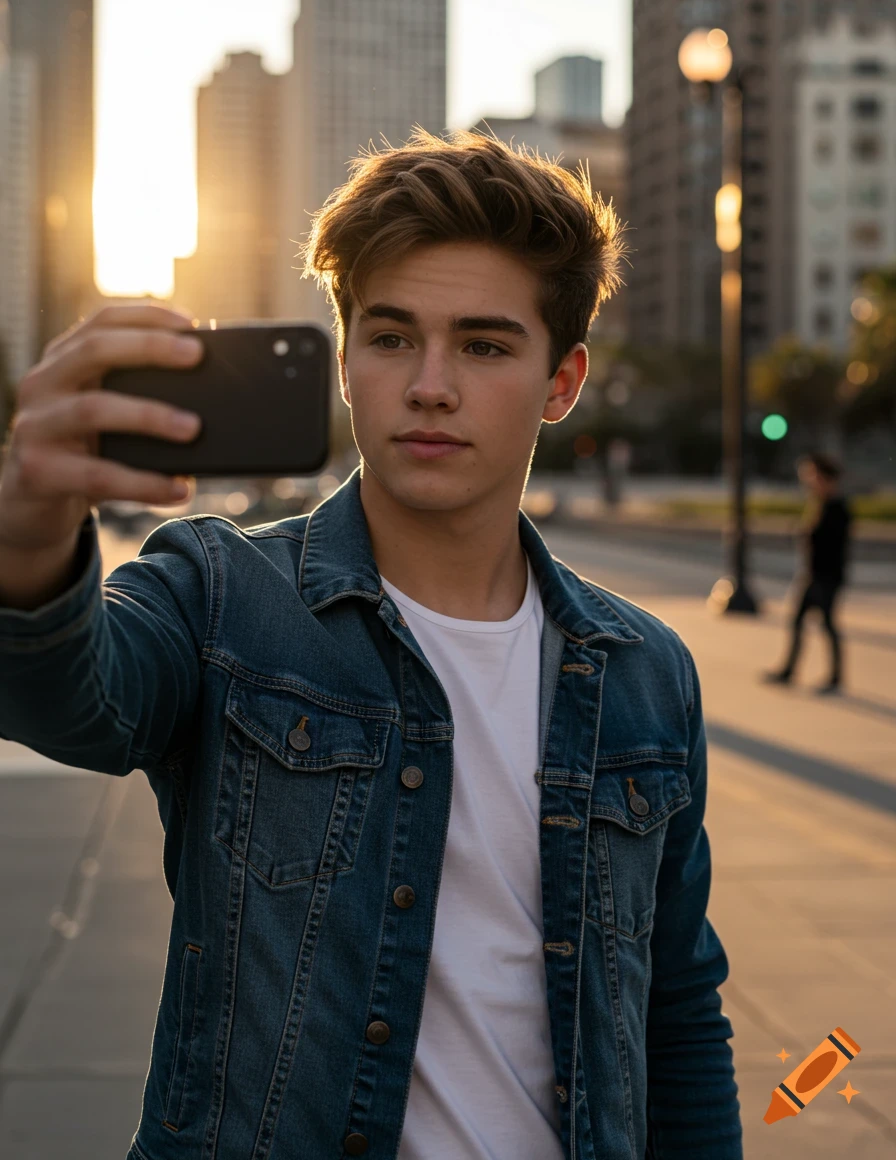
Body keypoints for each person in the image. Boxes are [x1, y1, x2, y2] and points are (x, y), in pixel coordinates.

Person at [0, 129, 742, 1159]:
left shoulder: (645, 670)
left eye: (483, 345)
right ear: (345, 358)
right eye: (391, 337)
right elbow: (66, 696)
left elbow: (676, 1007)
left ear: (560, 381)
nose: (430, 384)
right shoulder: (222, 594)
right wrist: (30, 534)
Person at [761, 452, 852, 695]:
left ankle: (835, 677)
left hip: (827, 576)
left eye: (811, 475)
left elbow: (831, 544)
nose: (808, 481)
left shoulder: (837, 507)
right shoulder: (819, 504)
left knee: (828, 624)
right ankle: (789, 670)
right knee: (797, 621)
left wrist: (807, 534)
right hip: (811, 575)